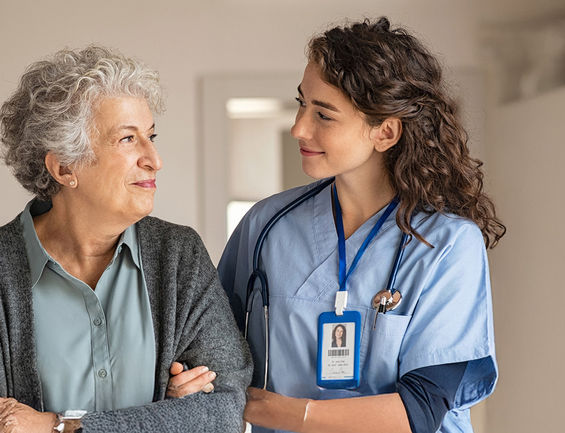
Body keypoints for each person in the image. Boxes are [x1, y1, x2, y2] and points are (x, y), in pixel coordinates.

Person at [169, 17, 504, 433]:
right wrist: (188, 384)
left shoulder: (447, 244)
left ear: (385, 132)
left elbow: (420, 408)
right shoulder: (266, 226)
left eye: (324, 115)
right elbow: (209, 356)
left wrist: (267, 409)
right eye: (301, 103)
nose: (298, 128)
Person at [0, 45, 252, 433]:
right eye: (128, 140)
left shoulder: (179, 256)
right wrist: (163, 418)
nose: (154, 159)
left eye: (150, 135)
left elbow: (224, 411)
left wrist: (54, 425)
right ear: (65, 167)